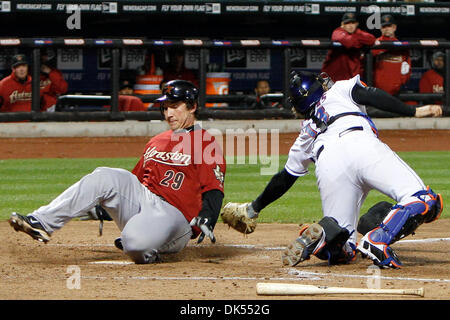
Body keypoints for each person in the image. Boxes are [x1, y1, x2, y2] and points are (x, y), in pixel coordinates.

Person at [222, 71, 443, 269]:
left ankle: (326, 235)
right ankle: (378, 237)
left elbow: (284, 179)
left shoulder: (306, 133)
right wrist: (413, 111)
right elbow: (370, 95)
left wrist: (253, 208)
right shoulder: (339, 89)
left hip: (328, 162)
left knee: (344, 247)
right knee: (423, 198)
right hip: (360, 143)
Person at [9, 80, 227, 264]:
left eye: (175, 106)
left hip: (175, 216)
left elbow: (214, 187)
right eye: (166, 107)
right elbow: (135, 182)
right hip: (145, 202)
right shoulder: (157, 141)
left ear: (192, 107)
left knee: (135, 244)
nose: (168, 113)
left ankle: (143, 240)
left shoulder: (205, 142)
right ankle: (41, 222)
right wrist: (104, 208)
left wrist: (208, 217)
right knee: (105, 175)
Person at [321, 13, 376, 82]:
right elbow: (349, 42)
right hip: (333, 77)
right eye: (347, 23)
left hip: (350, 77)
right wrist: (360, 42)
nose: (350, 26)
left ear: (357, 24)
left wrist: (355, 38)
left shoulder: (358, 32)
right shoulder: (337, 32)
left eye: (353, 23)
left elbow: (371, 39)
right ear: (342, 25)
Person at [372, 15, 411, 96]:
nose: (386, 29)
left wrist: (401, 82)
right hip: (378, 90)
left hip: (396, 91)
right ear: (380, 28)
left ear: (394, 27)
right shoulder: (374, 44)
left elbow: (406, 67)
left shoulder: (402, 47)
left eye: (389, 26)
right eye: (384, 26)